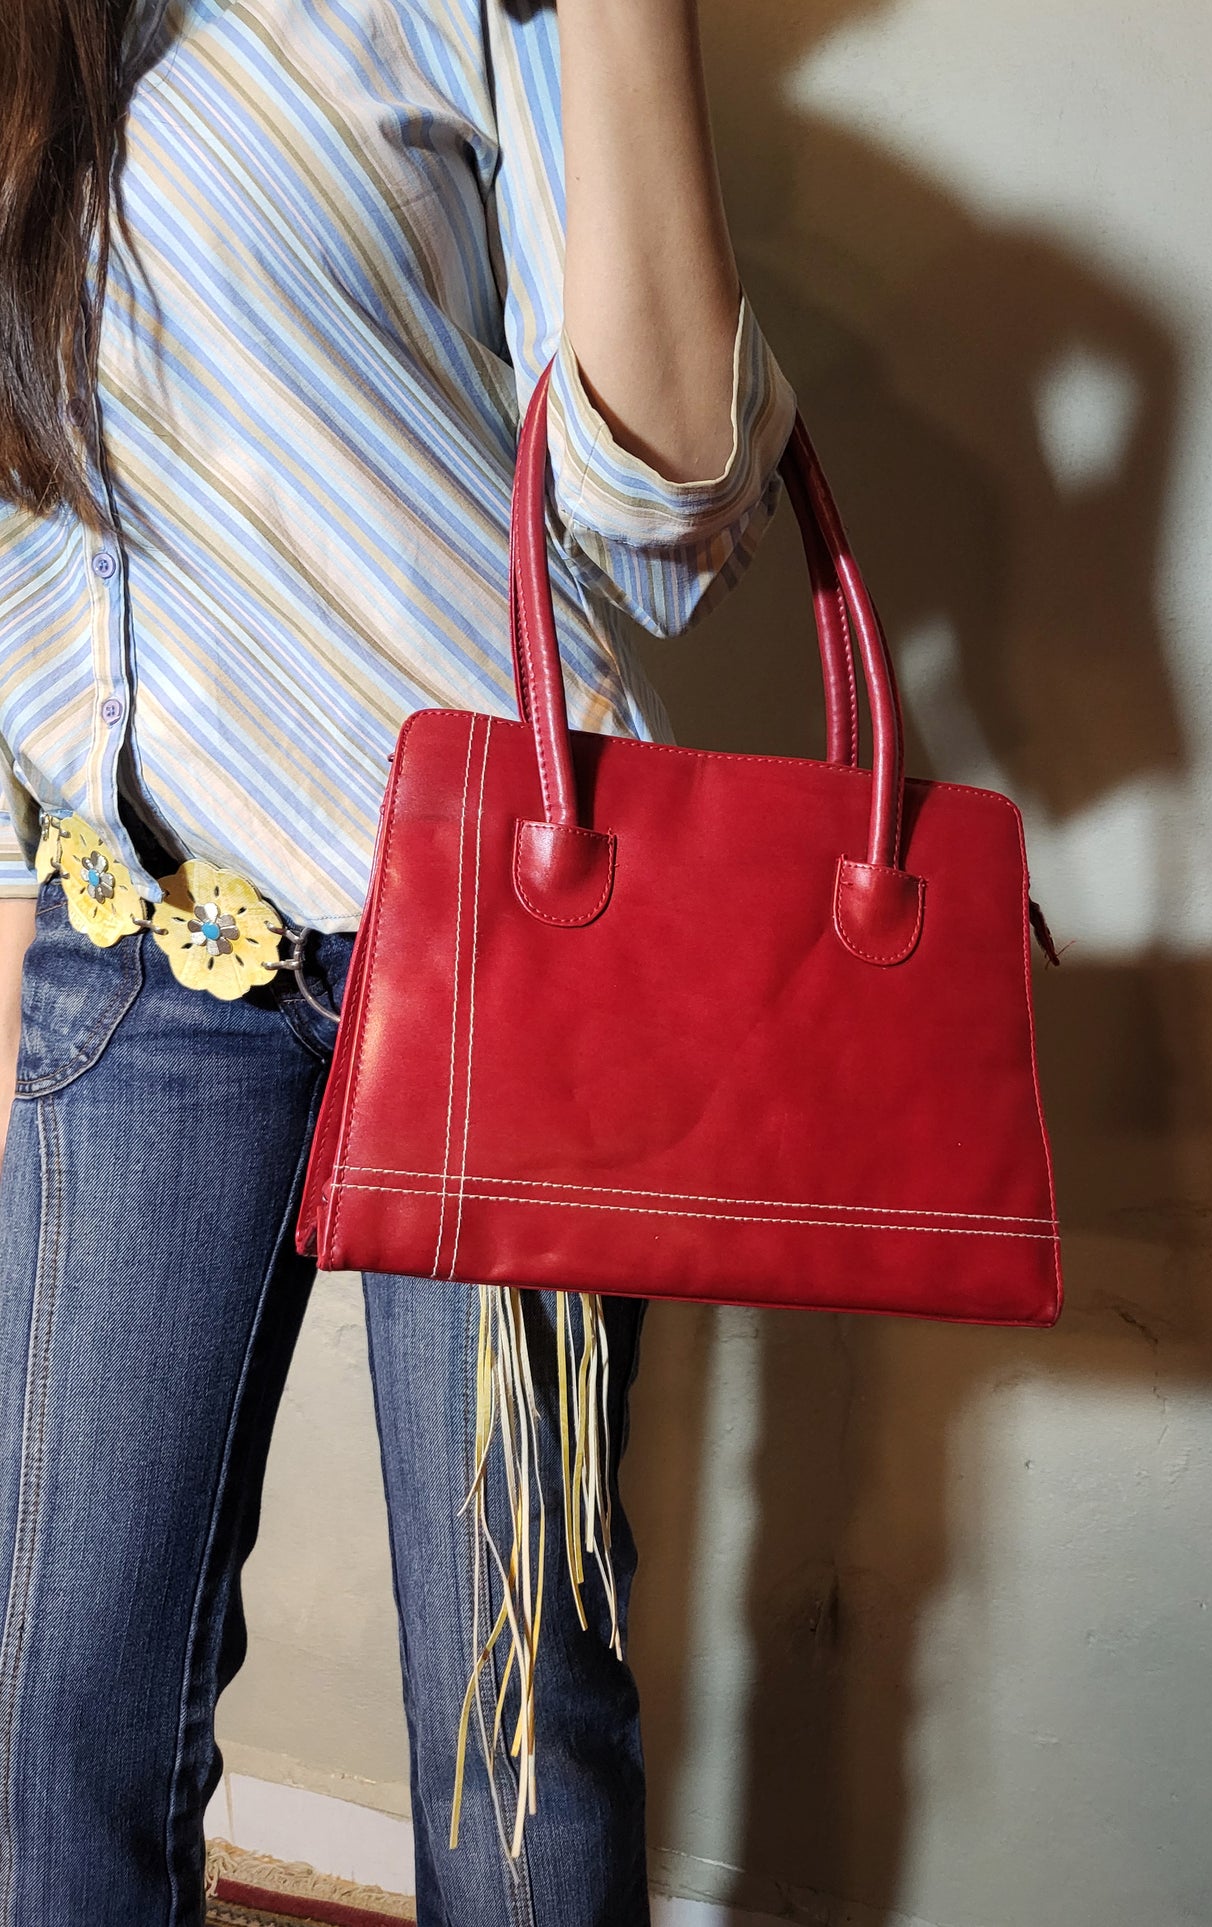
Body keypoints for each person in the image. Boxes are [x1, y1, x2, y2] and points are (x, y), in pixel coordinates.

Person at [0, 0, 797, 1920]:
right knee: (49, 1703)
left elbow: (674, 512)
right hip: (136, 948)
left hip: (506, 956)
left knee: (519, 1725)